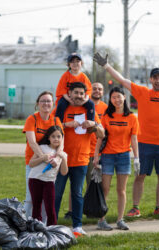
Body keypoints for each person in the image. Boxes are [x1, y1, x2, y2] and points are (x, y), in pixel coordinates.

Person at [94, 52, 159, 220]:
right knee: (140, 176)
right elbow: (122, 80)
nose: (157, 80)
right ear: (150, 80)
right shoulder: (142, 92)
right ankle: (135, 208)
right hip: (144, 143)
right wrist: (106, 66)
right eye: (154, 78)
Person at [54, 82, 105, 236]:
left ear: (85, 95)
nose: (78, 96)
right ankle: (52, 224)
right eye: (75, 93)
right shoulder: (63, 108)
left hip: (81, 160)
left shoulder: (89, 110)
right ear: (69, 94)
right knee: (57, 193)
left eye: (81, 93)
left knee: (77, 193)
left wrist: (94, 124)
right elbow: (52, 128)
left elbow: (102, 134)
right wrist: (66, 124)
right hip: (62, 159)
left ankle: (77, 226)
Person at [93, 86, 139, 231]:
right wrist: (96, 156)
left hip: (124, 156)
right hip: (107, 156)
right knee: (105, 189)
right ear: (110, 100)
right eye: (113, 97)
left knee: (122, 190)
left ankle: (120, 220)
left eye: (119, 96)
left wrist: (137, 158)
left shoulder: (132, 117)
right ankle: (101, 220)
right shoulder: (106, 117)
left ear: (124, 97)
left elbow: (134, 139)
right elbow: (100, 138)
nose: (117, 100)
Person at [64, 82, 108, 220]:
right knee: (75, 186)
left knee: (93, 184)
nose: (97, 91)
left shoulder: (104, 108)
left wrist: (94, 125)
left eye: (100, 89)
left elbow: (103, 131)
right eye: (94, 89)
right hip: (77, 152)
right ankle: (71, 212)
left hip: (95, 152)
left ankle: (93, 212)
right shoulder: (83, 107)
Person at [23, 91, 63, 218]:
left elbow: (61, 143)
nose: (46, 103)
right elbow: (32, 142)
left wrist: (56, 159)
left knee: (47, 198)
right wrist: (43, 158)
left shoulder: (56, 120)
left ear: (53, 104)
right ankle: (26, 224)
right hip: (34, 163)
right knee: (31, 197)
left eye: (48, 101)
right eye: (43, 101)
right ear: (38, 104)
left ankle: (44, 226)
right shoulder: (32, 119)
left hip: (51, 165)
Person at [28, 125, 68, 226]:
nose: (56, 139)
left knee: (50, 207)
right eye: (53, 136)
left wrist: (64, 159)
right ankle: (37, 228)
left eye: (58, 136)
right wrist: (42, 158)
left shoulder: (62, 154)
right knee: (36, 206)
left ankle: (52, 230)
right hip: (35, 179)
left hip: (49, 182)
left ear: (62, 138)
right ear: (48, 138)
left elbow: (63, 172)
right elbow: (31, 163)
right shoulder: (42, 148)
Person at [55, 52, 95, 123]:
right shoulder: (65, 76)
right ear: (69, 64)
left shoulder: (84, 77)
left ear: (81, 63)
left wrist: (85, 100)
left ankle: (91, 122)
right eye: (72, 61)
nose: (75, 63)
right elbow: (62, 90)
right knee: (61, 104)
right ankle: (58, 124)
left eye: (77, 61)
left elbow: (88, 90)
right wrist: (70, 100)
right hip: (67, 97)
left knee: (91, 104)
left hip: (80, 98)